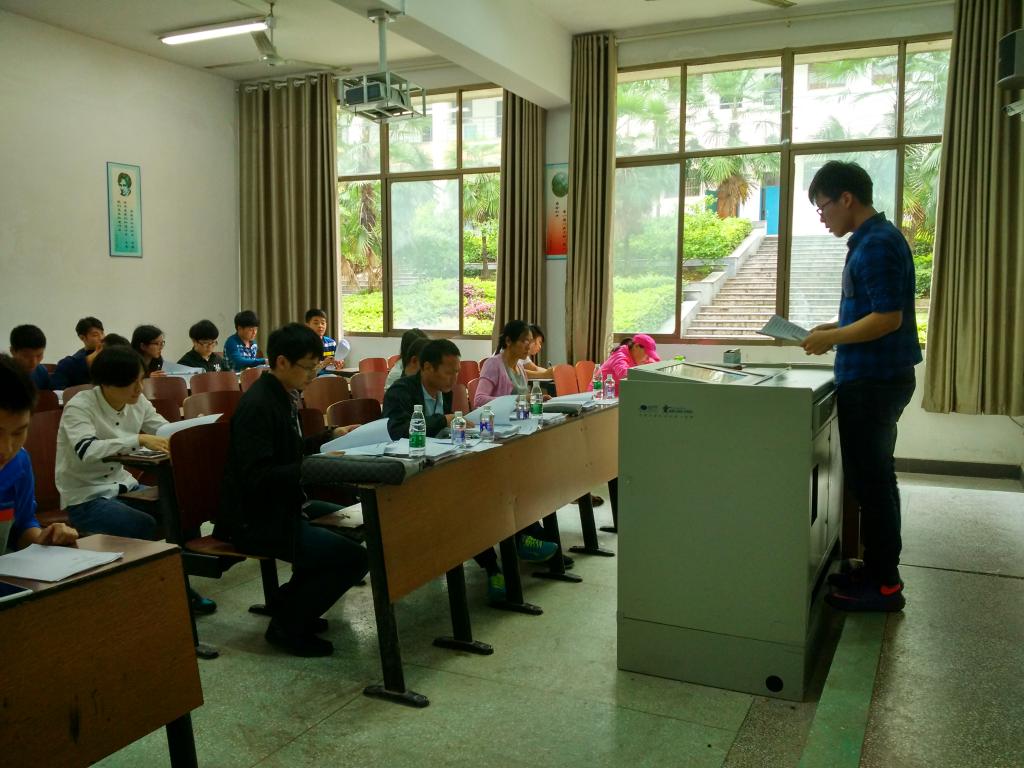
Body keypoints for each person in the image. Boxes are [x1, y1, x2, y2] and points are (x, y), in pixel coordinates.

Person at [800, 160, 921, 613]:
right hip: (872, 378)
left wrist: (832, 337)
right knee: (873, 482)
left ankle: (885, 584)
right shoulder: (871, 241)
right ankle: (876, 571)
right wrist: (832, 328)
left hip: (875, 382)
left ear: (847, 198)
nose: (822, 217)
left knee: (874, 484)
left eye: (823, 206)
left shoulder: (877, 244)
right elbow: (872, 310)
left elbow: (888, 319)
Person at [216, 323, 368, 657]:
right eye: (309, 367)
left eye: (316, 366)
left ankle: (290, 604)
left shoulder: (282, 394)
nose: (314, 374)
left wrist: (329, 436)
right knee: (354, 559)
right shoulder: (259, 405)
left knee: (353, 525)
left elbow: (290, 452)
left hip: (284, 505)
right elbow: (257, 476)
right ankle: (286, 626)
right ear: (282, 362)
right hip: (255, 519)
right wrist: (311, 467)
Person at [384, 339, 557, 601]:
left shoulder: (442, 389)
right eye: (449, 372)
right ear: (427, 367)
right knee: (468, 502)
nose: (454, 378)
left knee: (498, 478)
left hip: (443, 461)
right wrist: (444, 420)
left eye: (457, 372)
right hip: (412, 474)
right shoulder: (401, 391)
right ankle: (494, 567)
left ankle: (525, 536)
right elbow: (397, 430)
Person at [0, 356, 78, 553]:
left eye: (18, 432)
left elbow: (22, 527)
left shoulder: (18, 463)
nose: (6, 449)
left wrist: (45, 539)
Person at [474, 320, 533, 408]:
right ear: (508, 341)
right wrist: (518, 399)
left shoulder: (520, 367)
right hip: (500, 416)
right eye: (524, 341)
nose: (528, 347)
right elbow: (479, 400)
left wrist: (536, 399)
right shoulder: (493, 364)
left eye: (530, 342)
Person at [51, 316, 105, 389]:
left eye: (102, 333)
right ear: (82, 338)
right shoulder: (68, 364)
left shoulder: (108, 355)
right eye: (95, 335)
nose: (102, 338)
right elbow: (57, 391)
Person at [304, 308, 351, 374]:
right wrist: (323, 364)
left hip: (330, 377)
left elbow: (336, 367)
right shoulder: (303, 344)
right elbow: (305, 371)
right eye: (316, 323)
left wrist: (339, 364)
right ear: (307, 325)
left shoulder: (331, 343)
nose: (320, 326)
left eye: (323, 323)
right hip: (312, 379)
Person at [8, 324, 52, 391]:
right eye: (26, 356)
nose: (34, 362)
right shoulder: (4, 372)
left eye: (39, 355)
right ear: (12, 351)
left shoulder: (41, 372)